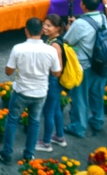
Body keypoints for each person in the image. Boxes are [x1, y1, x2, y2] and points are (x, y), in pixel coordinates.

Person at [0, 18, 60, 165]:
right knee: (34, 123)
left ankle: (6, 153)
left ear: (26, 31)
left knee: (12, 121)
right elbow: (56, 73)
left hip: (21, 92)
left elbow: (8, 71)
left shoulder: (18, 48)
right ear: (42, 31)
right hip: (40, 93)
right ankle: (28, 154)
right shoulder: (51, 50)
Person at [63, 0, 106, 138]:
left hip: (84, 66)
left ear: (83, 5)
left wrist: (70, 29)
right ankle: (97, 120)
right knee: (97, 93)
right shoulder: (103, 17)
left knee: (80, 97)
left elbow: (67, 42)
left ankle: (78, 127)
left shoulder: (80, 24)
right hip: (101, 63)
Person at [35, 15, 67, 152]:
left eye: (49, 26)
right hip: (56, 82)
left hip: (53, 81)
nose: (45, 28)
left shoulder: (54, 45)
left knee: (48, 111)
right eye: (44, 24)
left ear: (58, 28)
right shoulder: (54, 40)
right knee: (56, 109)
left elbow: (57, 70)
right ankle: (59, 136)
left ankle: (46, 142)